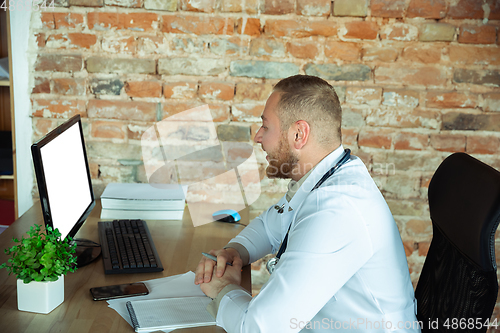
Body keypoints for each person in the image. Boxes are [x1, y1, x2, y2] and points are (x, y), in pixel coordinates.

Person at [195, 75, 420, 332]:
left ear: (299, 134)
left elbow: (259, 327)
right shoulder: (326, 176)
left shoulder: (337, 210)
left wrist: (223, 290)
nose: (258, 137)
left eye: (265, 126)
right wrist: (234, 252)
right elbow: (270, 226)